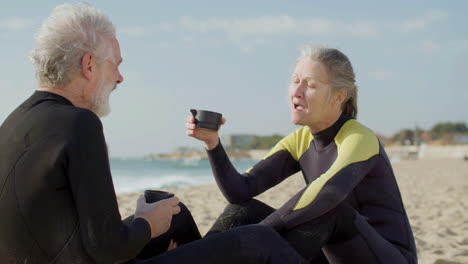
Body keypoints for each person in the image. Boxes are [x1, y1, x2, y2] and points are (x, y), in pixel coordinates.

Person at [0, 3, 308, 264]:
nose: (120, 78)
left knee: (170, 206)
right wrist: (146, 225)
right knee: (258, 239)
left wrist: (147, 223)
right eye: (116, 65)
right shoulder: (80, 123)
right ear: (89, 64)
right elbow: (106, 246)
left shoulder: (14, 123)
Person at [186, 46, 418, 263]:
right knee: (243, 212)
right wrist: (212, 144)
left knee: (331, 209)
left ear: (339, 96)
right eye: (295, 81)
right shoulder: (300, 140)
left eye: (310, 85)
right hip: (330, 253)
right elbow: (240, 190)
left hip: (386, 256)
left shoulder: (359, 138)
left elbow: (327, 194)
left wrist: (256, 236)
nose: (296, 91)